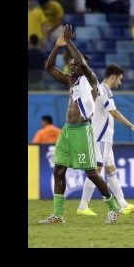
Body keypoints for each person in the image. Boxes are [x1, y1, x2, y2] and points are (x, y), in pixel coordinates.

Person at [39, 25, 121, 224]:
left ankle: (113, 207)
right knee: (59, 170)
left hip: (83, 131)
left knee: (91, 173)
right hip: (67, 131)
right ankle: (58, 215)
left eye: (75, 65)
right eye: (71, 65)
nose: (72, 67)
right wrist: (58, 46)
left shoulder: (91, 80)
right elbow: (49, 68)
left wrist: (69, 42)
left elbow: (83, 64)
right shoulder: (70, 81)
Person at [76, 65, 134, 217]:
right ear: (113, 77)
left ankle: (124, 204)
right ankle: (83, 205)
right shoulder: (104, 89)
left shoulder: (101, 89)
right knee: (96, 172)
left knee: (111, 170)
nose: (120, 83)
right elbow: (113, 113)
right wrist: (132, 126)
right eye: (120, 79)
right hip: (100, 139)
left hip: (105, 139)